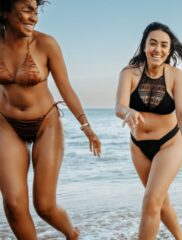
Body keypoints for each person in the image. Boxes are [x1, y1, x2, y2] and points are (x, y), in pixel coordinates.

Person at [0, 0, 102, 239]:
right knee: (13, 205)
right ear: (4, 10)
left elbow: (65, 87)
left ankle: (71, 234)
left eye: (35, 11)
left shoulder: (46, 44)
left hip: (46, 123)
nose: (33, 17)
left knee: (44, 206)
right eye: (26, 9)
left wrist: (86, 126)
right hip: (5, 124)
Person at [115, 22, 182, 240]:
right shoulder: (129, 73)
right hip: (138, 147)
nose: (158, 49)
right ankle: (181, 238)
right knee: (159, 201)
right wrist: (127, 113)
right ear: (144, 46)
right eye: (153, 43)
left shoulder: (175, 76)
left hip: (169, 143)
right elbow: (119, 106)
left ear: (169, 50)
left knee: (151, 200)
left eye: (164, 45)